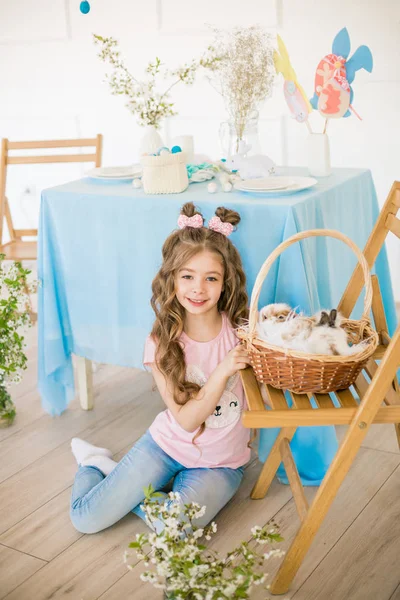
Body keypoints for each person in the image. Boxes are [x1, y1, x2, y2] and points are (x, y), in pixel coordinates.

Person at [69, 201, 253, 534]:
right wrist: (224, 369)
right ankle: (95, 464)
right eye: (187, 276)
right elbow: (185, 420)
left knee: (175, 529)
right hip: (167, 446)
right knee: (85, 519)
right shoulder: (161, 343)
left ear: (225, 283)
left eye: (211, 278)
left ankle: (119, 479)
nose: (198, 288)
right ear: (172, 280)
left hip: (220, 465)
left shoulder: (240, 332)